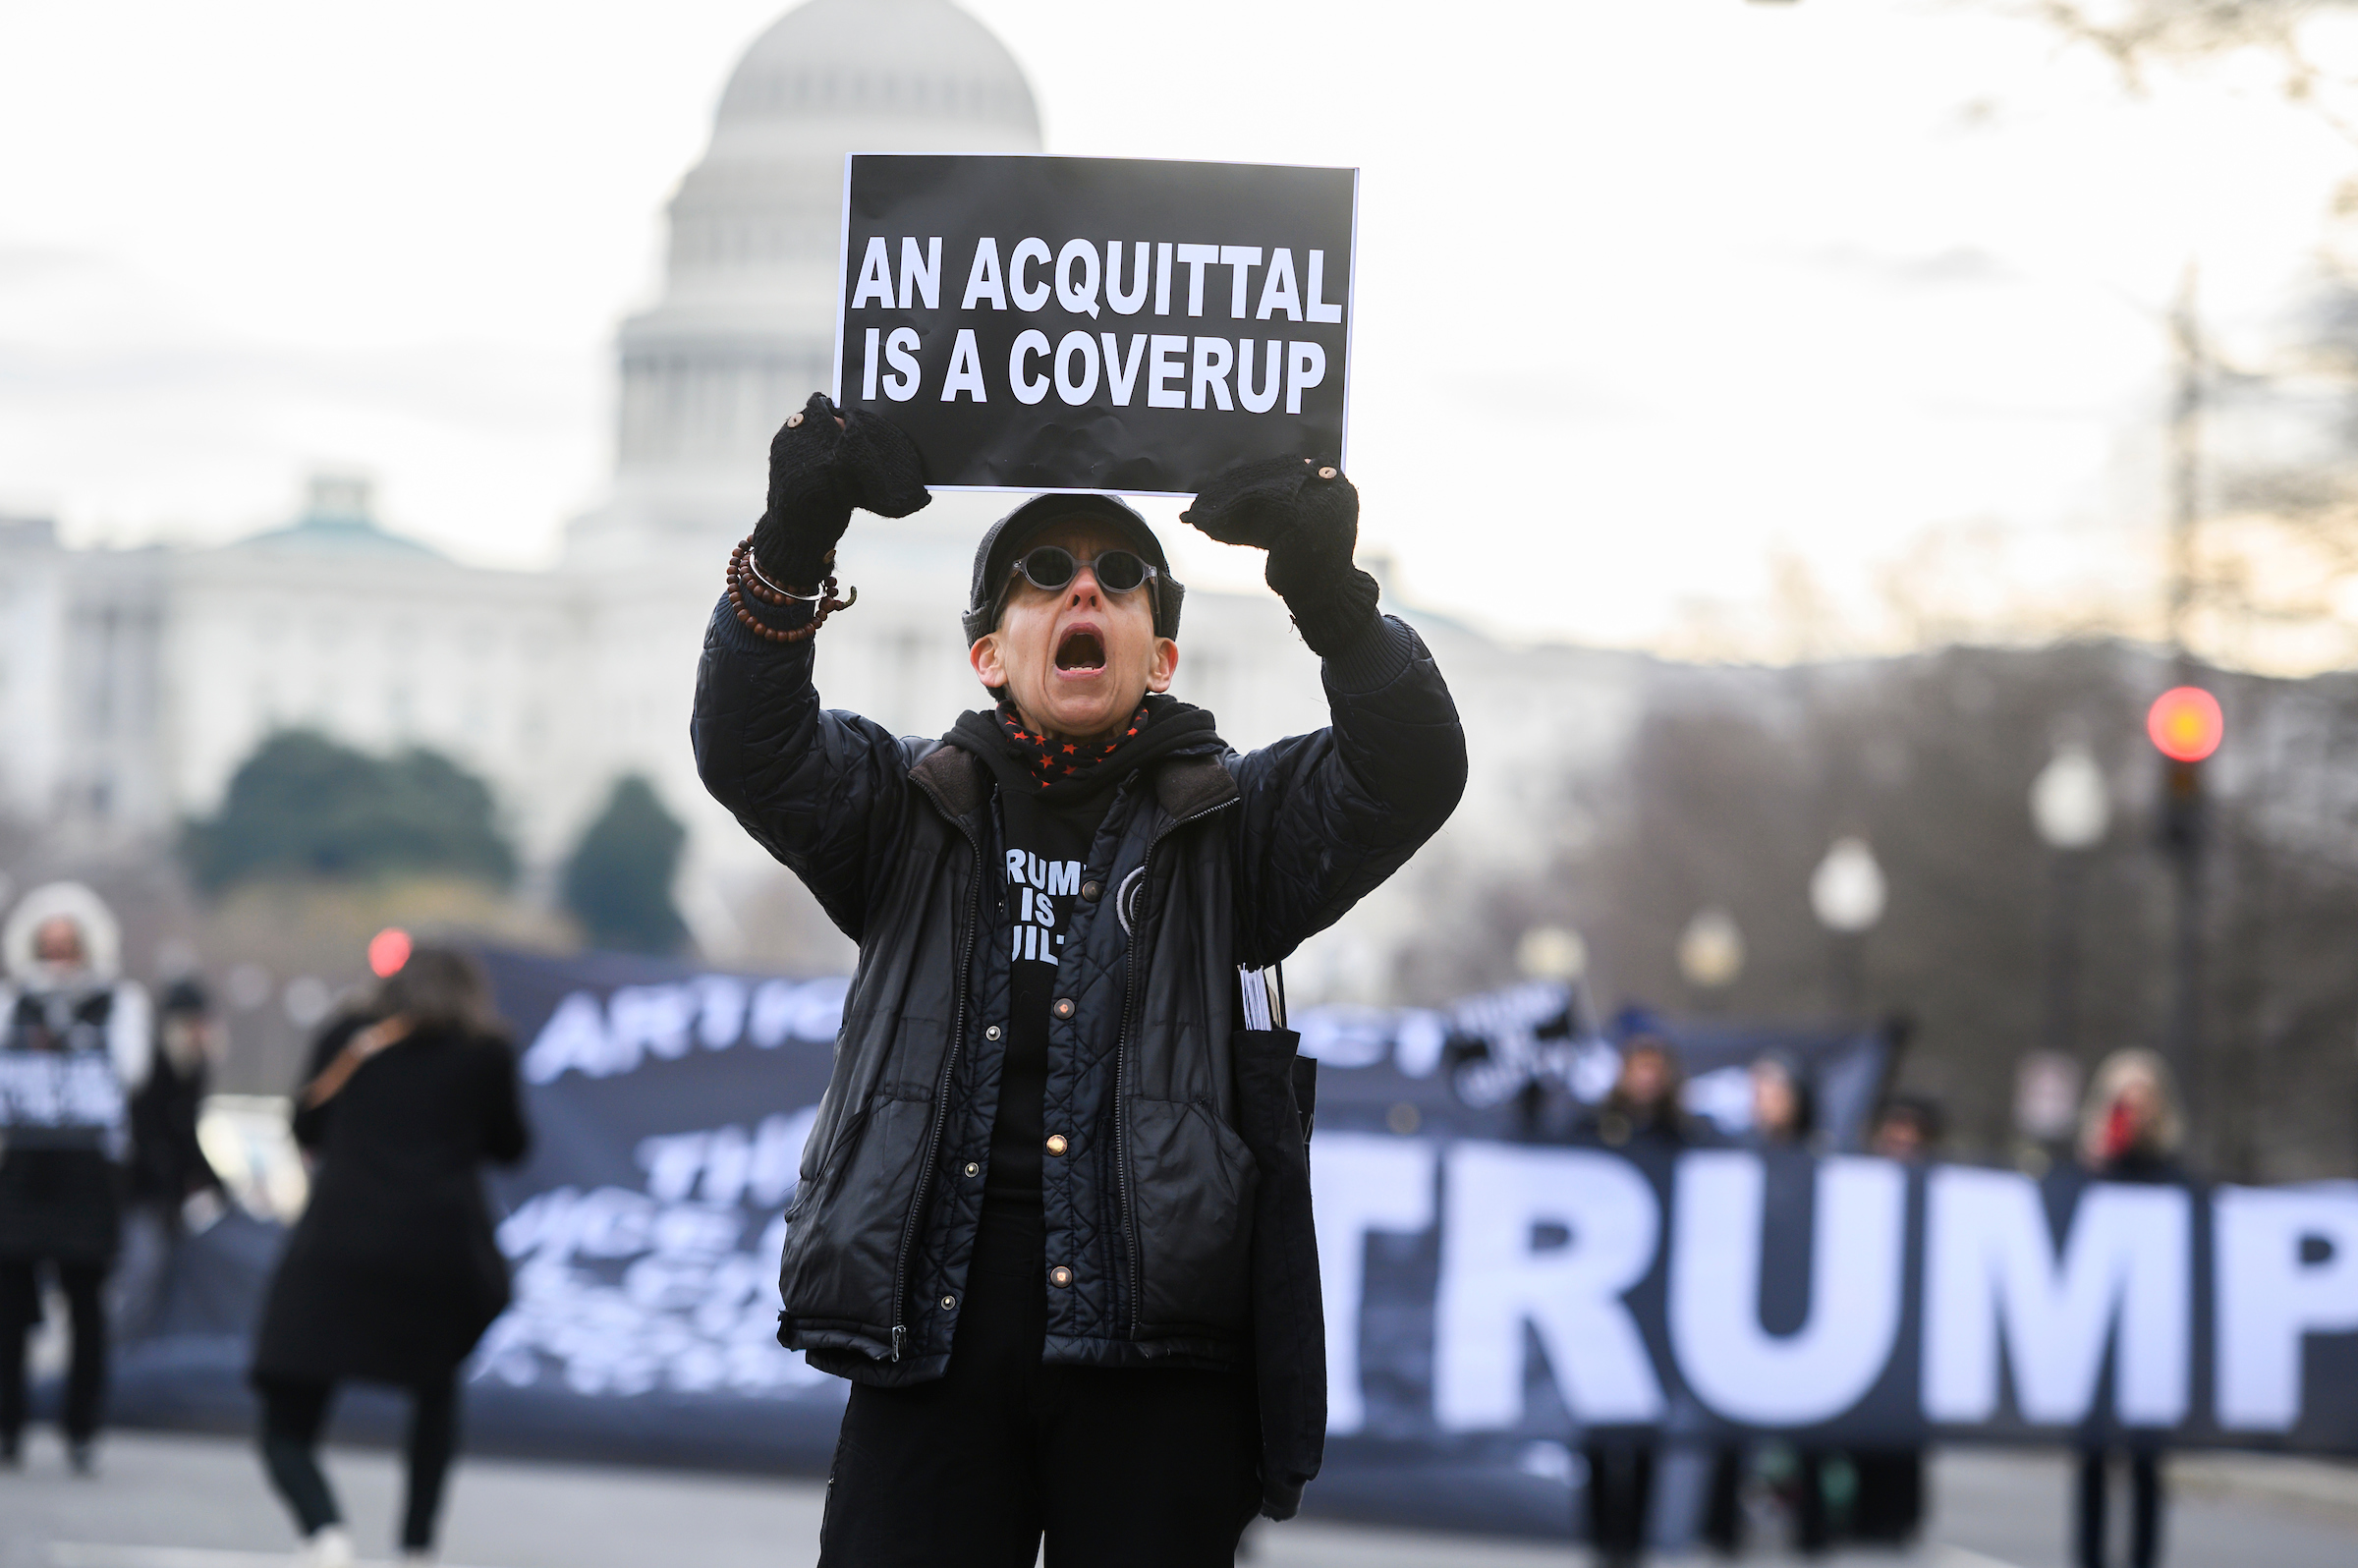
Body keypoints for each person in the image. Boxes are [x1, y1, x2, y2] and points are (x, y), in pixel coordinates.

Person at [692, 394, 1466, 1567]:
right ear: (990, 651)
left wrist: (1331, 596)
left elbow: (1410, 771)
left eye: (1122, 575)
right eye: (1043, 572)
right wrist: (793, 542)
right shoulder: (902, 809)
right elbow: (748, 743)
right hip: (933, 1334)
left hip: (1157, 1357)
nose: (1084, 589)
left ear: (1159, 654)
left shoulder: (1235, 829)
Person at [249, 946, 530, 1567]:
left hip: (339, 1243)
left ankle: (324, 1532)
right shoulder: (486, 1053)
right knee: (435, 1391)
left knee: (286, 1413)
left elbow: (306, 1126)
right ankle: (416, 1545)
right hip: (440, 1253)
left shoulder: (351, 1037)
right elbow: (510, 1145)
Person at [0, 881, 152, 1473]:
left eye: (70, 946)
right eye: (50, 946)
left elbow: (130, 1071)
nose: (59, 958)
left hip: (88, 1172)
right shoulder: (14, 1002)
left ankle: (81, 1425)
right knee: (10, 1310)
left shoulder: (120, 1003)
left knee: (87, 1306)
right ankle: (8, 1423)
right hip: (24, 1169)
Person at [1581, 1036, 1694, 1568]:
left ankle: (1636, 1545)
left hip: (1656, 1306)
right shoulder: (1594, 1126)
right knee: (1599, 1431)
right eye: (1638, 1068)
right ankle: (1602, 1542)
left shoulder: (1683, 1136)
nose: (1646, 1079)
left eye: (1656, 1069)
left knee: (1647, 1430)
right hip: (1599, 1303)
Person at [2070, 1049, 2183, 1568]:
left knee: (2145, 1462)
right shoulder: (2090, 1167)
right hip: (2097, 1333)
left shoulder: (2171, 1171)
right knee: (2092, 1459)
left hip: (2153, 1336)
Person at [1847, 1094, 1946, 1547]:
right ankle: (1861, 1513)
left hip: (1915, 1330)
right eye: (1895, 1131)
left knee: (1904, 1431)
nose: (1902, 1142)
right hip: (1862, 1322)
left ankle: (1900, 1516)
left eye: (1912, 1134)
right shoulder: (1855, 1184)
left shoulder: (1942, 1190)